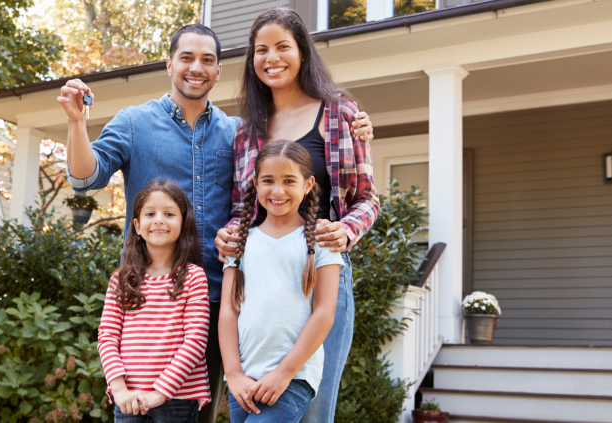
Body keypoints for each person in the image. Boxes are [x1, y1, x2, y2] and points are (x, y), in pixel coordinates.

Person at [58, 23, 374, 423]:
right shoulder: (135, 123)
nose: (196, 68)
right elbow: (86, 178)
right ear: (169, 63)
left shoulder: (237, 132)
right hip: (158, 303)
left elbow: (275, 188)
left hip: (228, 296)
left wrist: (357, 130)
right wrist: (75, 123)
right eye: (187, 57)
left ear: (219, 70)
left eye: (208, 60)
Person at [215, 8, 379, 423]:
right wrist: (230, 234)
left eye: (283, 47)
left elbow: (368, 198)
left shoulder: (341, 115)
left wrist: (344, 231)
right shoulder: (247, 131)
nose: (272, 58)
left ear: (302, 51)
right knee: (257, 398)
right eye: (261, 50)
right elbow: (243, 208)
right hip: (263, 280)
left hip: (319, 273)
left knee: (315, 410)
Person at [220, 140, 344, 423]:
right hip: (244, 381)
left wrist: (285, 372)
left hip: (292, 378)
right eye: (268, 180)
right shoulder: (239, 242)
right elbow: (229, 312)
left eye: (289, 180)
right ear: (255, 182)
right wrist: (234, 374)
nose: (277, 191)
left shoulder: (322, 241)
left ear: (308, 184)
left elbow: (324, 313)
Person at [98, 179, 211, 422]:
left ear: (183, 223)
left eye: (169, 214)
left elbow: (196, 340)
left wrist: (160, 392)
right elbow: (107, 336)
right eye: (150, 213)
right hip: (128, 399)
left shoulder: (194, 277)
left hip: (176, 399)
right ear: (137, 225)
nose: (159, 219)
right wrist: (118, 389)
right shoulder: (122, 279)